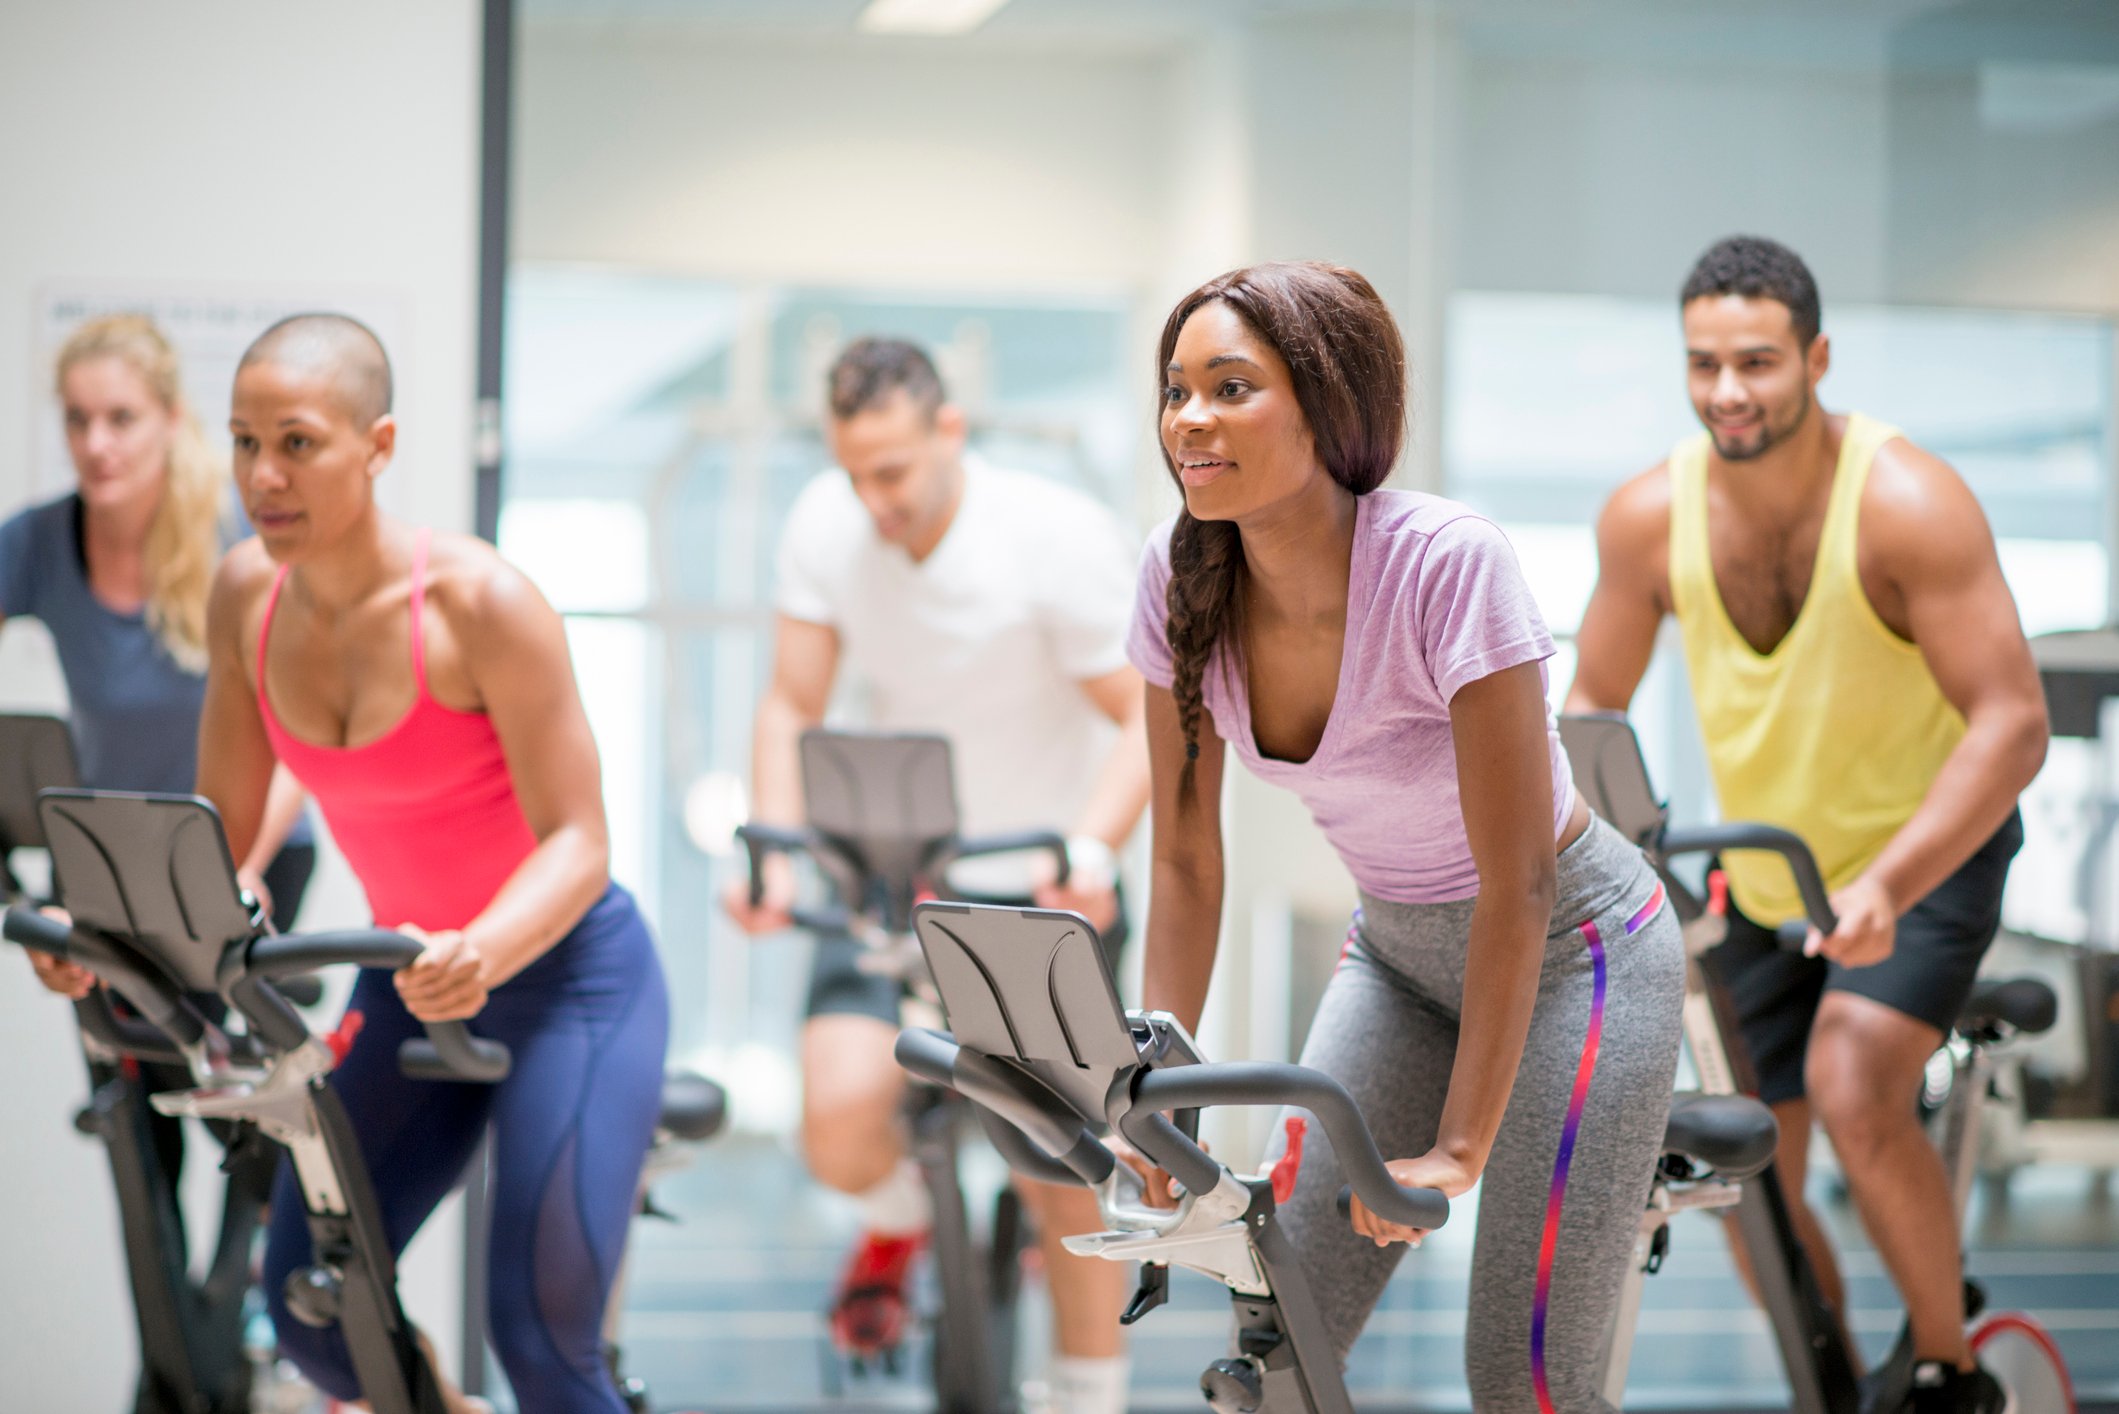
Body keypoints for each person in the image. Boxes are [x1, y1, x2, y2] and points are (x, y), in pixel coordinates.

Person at [1125, 261, 1684, 1414]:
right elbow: (1182, 858)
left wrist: (1459, 1147)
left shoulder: (1444, 564)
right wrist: (1156, 1092)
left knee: (1523, 1375)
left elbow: (1519, 879)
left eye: (1230, 387)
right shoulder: (1179, 580)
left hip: (1582, 956)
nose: (1189, 419)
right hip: (1396, 956)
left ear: (1329, 406)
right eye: (1176, 390)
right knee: (1281, 1340)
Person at [1567, 235, 2049, 1414]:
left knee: (1849, 1078)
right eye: (1704, 364)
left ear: (1815, 358)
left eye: (1758, 363)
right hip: (1764, 873)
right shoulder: (1646, 519)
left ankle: (1949, 1370)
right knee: (1744, 1151)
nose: (1728, 390)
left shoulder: (1905, 504)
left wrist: (1889, 881)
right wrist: (1604, 833)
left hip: (1924, 854)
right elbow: (1589, 707)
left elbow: (2012, 722)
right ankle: (1825, 1381)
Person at [196, 313, 670, 1414]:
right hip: (403, 971)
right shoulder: (243, 594)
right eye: (243, 441)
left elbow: (580, 839)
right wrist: (158, 924)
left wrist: (485, 947)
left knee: (545, 1341)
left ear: (379, 444)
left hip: (570, 982)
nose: (264, 475)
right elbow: (225, 822)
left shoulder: (478, 603)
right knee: (312, 1310)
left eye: (299, 442)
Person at [722, 337, 1147, 1414]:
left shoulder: (1052, 538)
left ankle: (1089, 1397)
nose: (873, 499)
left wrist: (1093, 850)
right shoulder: (828, 520)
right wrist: (770, 846)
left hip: (1039, 887)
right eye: (855, 472)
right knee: (837, 1125)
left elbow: (1151, 718)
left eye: (895, 472)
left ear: (949, 431)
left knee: (1060, 1175)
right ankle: (902, 1219)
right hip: (893, 878)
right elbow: (791, 702)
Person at [3, 313, 315, 1224]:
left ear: (172, 418)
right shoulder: (38, 542)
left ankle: (246, 1320)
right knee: (139, 1128)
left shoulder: (235, 537)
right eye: (77, 419)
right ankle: (180, 1360)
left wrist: (242, 867)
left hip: (248, 844)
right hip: (112, 860)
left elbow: (295, 728)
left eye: (121, 418)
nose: (96, 444)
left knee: (241, 1121)